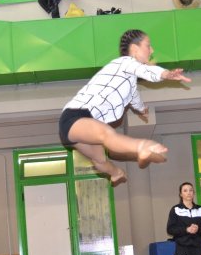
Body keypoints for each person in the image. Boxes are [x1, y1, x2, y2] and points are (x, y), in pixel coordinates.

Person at [59, 29, 190, 185]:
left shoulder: (130, 82)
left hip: (85, 126)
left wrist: (142, 109)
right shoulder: (124, 62)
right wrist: (166, 74)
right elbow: (147, 70)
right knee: (106, 134)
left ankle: (116, 173)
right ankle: (141, 146)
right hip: (75, 116)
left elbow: (135, 99)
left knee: (100, 160)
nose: (152, 50)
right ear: (134, 49)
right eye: (148, 46)